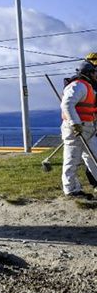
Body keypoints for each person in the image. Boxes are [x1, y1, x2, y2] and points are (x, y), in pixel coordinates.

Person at [60, 62, 97, 198]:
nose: (96, 74)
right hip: (75, 129)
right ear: (89, 73)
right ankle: (71, 190)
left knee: (94, 157)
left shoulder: (86, 87)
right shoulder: (78, 85)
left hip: (87, 128)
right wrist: (75, 123)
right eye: (94, 72)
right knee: (72, 159)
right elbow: (67, 104)